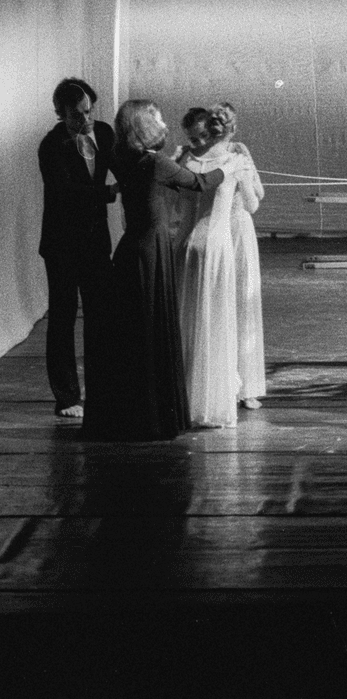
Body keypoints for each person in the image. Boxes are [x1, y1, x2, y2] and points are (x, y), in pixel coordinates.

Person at [81, 100, 232, 441]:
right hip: (152, 250)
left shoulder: (125, 157)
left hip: (133, 247)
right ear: (145, 124)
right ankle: (151, 418)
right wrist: (229, 168)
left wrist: (175, 161)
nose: (163, 122)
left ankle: (132, 414)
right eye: (157, 118)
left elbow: (161, 180)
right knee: (150, 332)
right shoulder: (155, 162)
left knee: (135, 335)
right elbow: (199, 182)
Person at [37, 77, 118, 419]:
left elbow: (122, 166)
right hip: (61, 244)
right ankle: (67, 397)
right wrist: (107, 193)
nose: (86, 120)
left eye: (89, 111)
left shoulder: (104, 132)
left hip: (96, 239)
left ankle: (102, 391)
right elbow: (64, 193)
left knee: (100, 315)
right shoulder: (51, 145)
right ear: (60, 112)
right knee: (63, 317)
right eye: (76, 115)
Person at [176, 106, 250, 429]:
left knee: (191, 319)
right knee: (210, 321)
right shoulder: (232, 161)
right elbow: (251, 202)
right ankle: (207, 398)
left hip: (189, 246)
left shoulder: (184, 160)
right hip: (212, 246)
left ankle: (188, 398)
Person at [218, 103, 267, 411]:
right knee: (230, 302)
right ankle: (231, 383)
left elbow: (257, 194)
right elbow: (255, 201)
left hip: (236, 229)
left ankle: (244, 385)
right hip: (227, 226)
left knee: (240, 303)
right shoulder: (223, 154)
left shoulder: (239, 152)